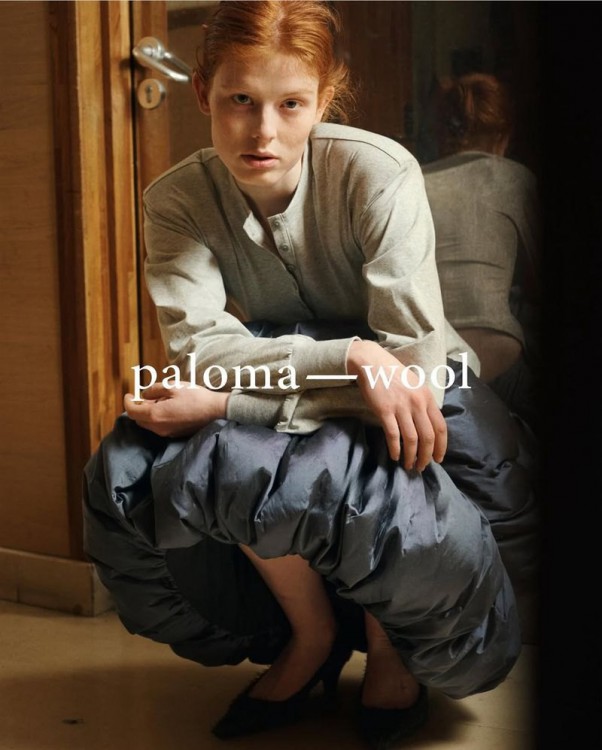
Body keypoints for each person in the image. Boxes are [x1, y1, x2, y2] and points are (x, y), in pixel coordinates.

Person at [88, 3, 528, 747]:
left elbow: (412, 366)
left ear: (324, 100)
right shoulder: (174, 201)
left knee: (372, 435)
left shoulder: (378, 172)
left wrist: (228, 402)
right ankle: (312, 634)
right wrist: (348, 356)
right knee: (210, 458)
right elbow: (200, 351)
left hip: (419, 388)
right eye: (240, 99)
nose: (263, 132)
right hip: (317, 370)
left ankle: (388, 647)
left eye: (290, 104)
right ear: (202, 93)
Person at [421, 72, 542, 430]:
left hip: (434, 370)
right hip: (499, 362)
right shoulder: (516, 178)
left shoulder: (412, 180)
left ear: (442, 132)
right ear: (503, 134)